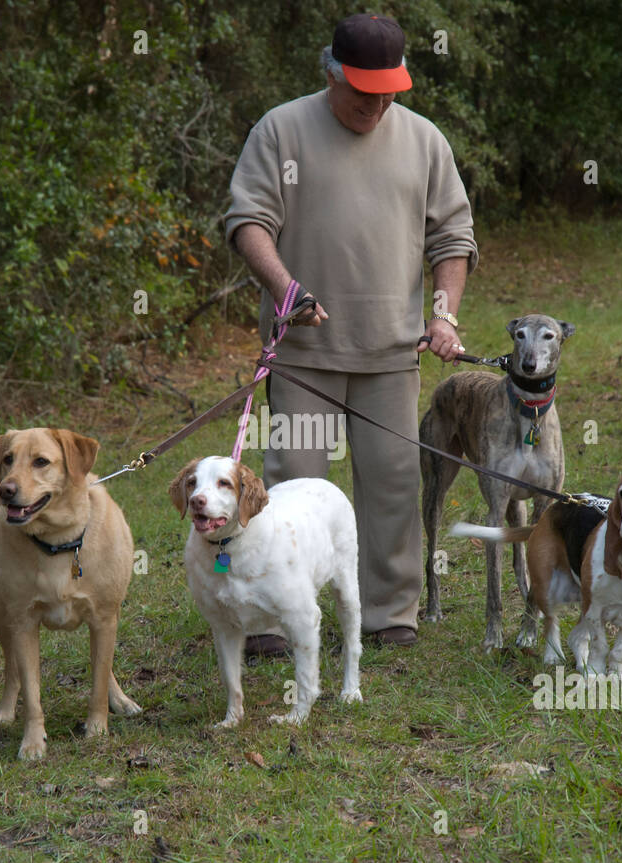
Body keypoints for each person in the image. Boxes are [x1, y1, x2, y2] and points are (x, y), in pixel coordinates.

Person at [224, 12, 477, 654]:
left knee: (393, 479)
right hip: (304, 351)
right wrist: (288, 291)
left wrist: (443, 312)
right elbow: (248, 221)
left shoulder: (423, 142)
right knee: (291, 486)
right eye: (364, 89)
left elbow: (453, 236)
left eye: (389, 89)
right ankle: (274, 617)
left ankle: (390, 614)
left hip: (392, 354)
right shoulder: (281, 130)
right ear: (331, 71)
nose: (377, 102)